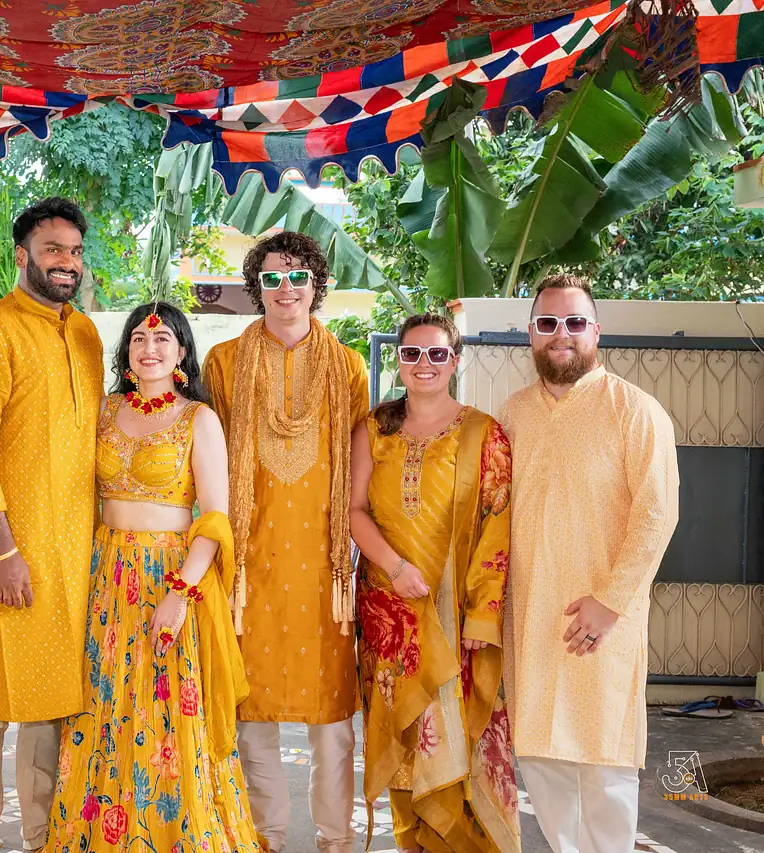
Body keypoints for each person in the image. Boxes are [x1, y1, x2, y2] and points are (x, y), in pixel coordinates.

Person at [45, 302, 259, 853]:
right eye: (139, 338)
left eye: (163, 338)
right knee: (106, 705)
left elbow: (214, 517)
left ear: (182, 352)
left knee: (167, 710)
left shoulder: (198, 419)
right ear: (126, 352)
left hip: (170, 575)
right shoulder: (104, 411)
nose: (150, 348)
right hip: (106, 574)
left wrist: (181, 593)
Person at [203, 231, 369, 853]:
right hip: (249, 565)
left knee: (333, 721)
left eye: (298, 276)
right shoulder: (223, 363)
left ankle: (335, 839)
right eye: (272, 278)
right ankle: (265, 838)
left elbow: (359, 464)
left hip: (324, 567)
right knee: (252, 715)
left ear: (316, 285)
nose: (286, 288)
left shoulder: (348, 366)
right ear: (257, 288)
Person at [500, 275, 679, 853]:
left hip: (602, 622)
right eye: (548, 323)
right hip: (531, 620)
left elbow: (658, 515)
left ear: (596, 332)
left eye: (574, 322)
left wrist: (609, 603)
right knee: (541, 763)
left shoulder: (635, 411)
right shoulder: (514, 413)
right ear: (530, 333)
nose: (562, 334)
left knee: (604, 767)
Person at [0, 197, 105, 853]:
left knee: (50, 705)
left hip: (74, 558)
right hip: (7, 554)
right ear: (23, 256)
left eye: (74, 251)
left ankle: (43, 838)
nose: (66, 261)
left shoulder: (87, 334)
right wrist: (3, 551)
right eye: (52, 250)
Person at [348, 314, 519, 853]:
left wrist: (484, 616)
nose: (424, 364)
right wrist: (396, 569)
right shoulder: (373, 429)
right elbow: (354, 511)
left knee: (455, 744)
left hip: (457, 615)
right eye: (413, 353)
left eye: (437, 353)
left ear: (455, 360)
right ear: (399, 360)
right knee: (401, 737)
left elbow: (497, 525)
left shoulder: (484, 432)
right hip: (389, 610)